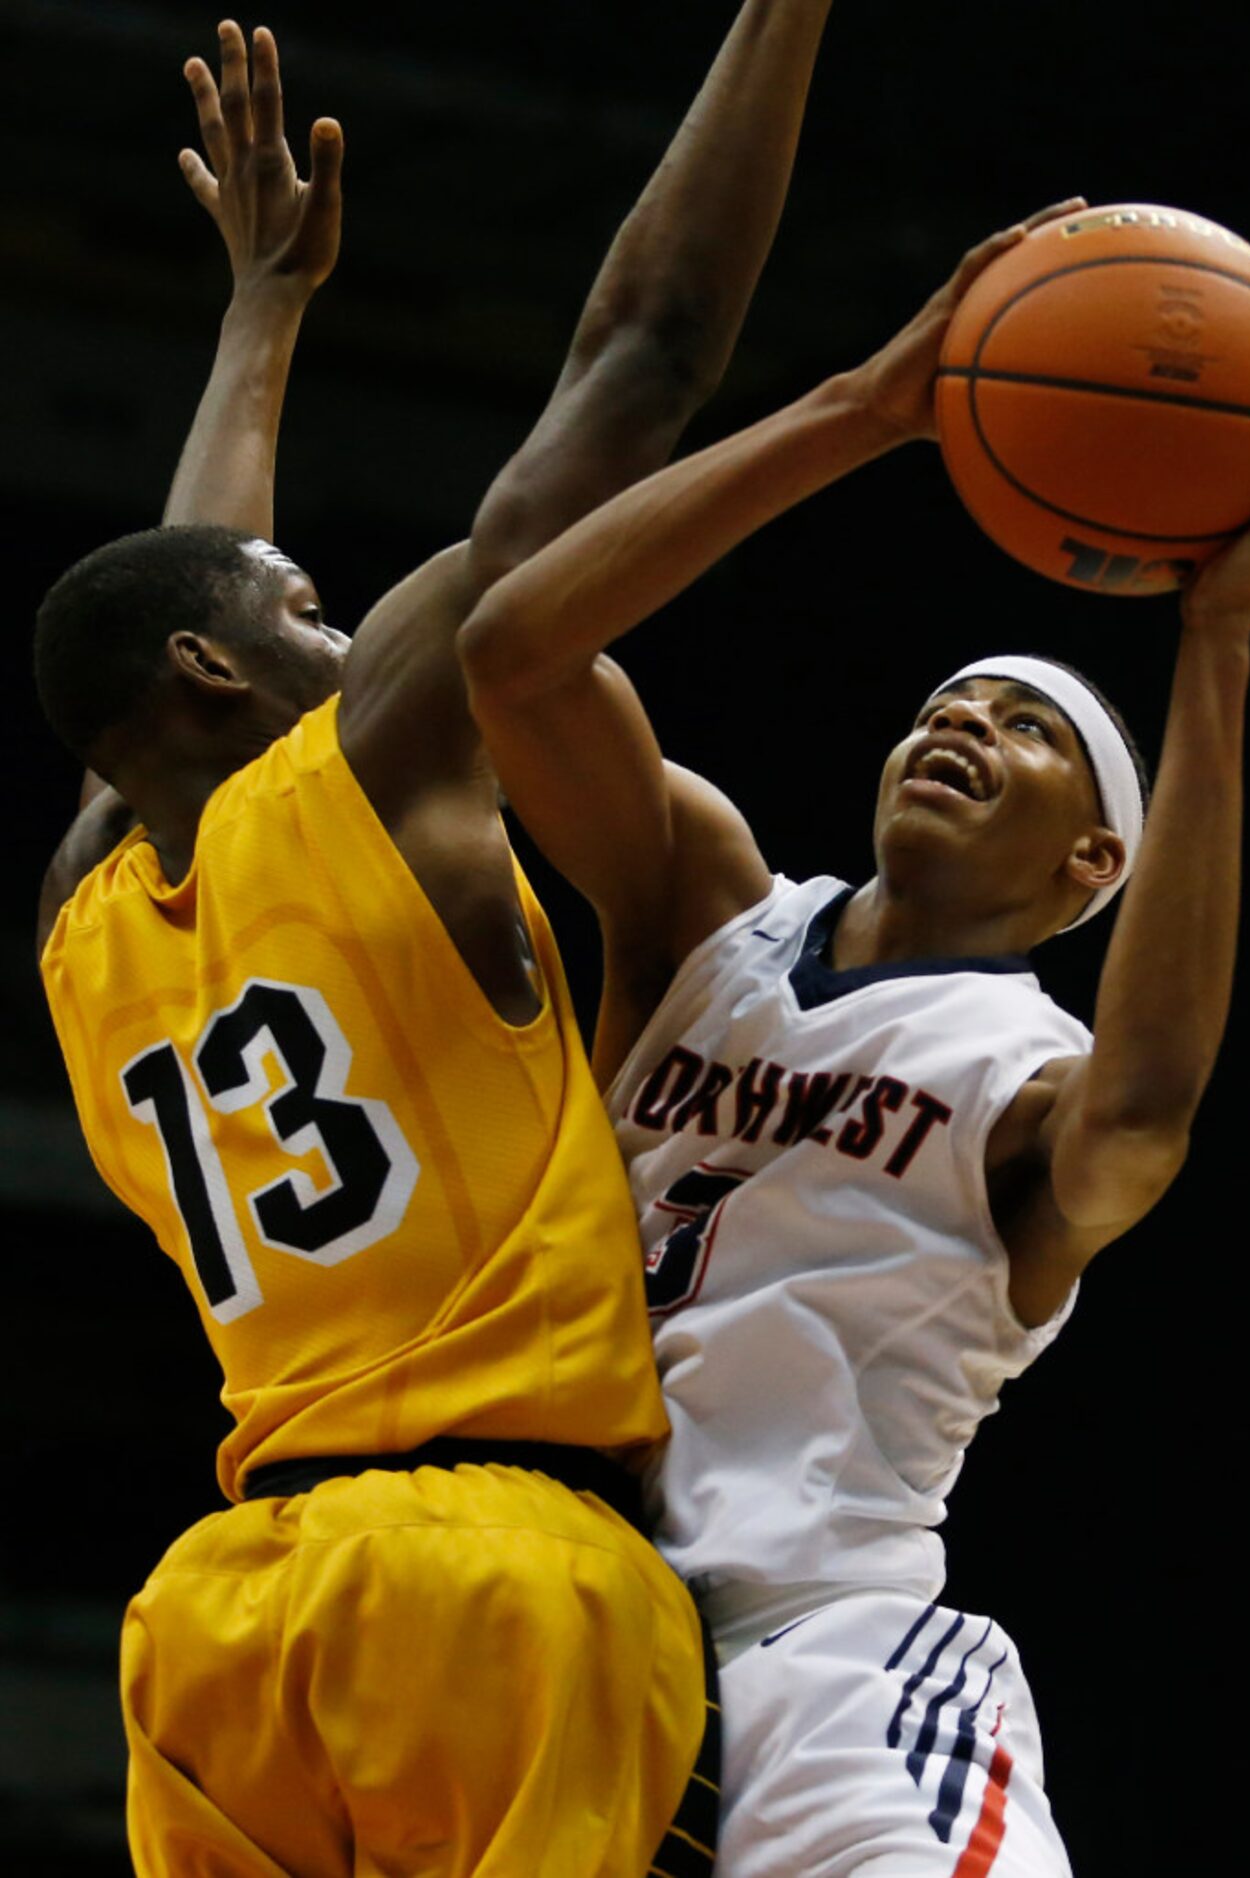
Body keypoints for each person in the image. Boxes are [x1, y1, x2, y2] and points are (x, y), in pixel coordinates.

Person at [33, 8, 836, 1872]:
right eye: (311, 611)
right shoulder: (366, 768)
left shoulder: (85, 921)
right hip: (500, 1573)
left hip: (230, 1619)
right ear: (227, 674)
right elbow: (640, 362)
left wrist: (258, 316)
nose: (344, 633)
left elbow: (168, 609)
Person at [456, 213, 1250, 1873]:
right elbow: (513, 650)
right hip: (547, 1640)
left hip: (822, 1665)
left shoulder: (1021, 1078)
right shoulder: (703, 909)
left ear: (1097, 865)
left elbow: (1145, 1115)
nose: (963, 721)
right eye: (949, 699)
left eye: (1030, 729)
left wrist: (1213, 649)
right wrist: (861, 411)